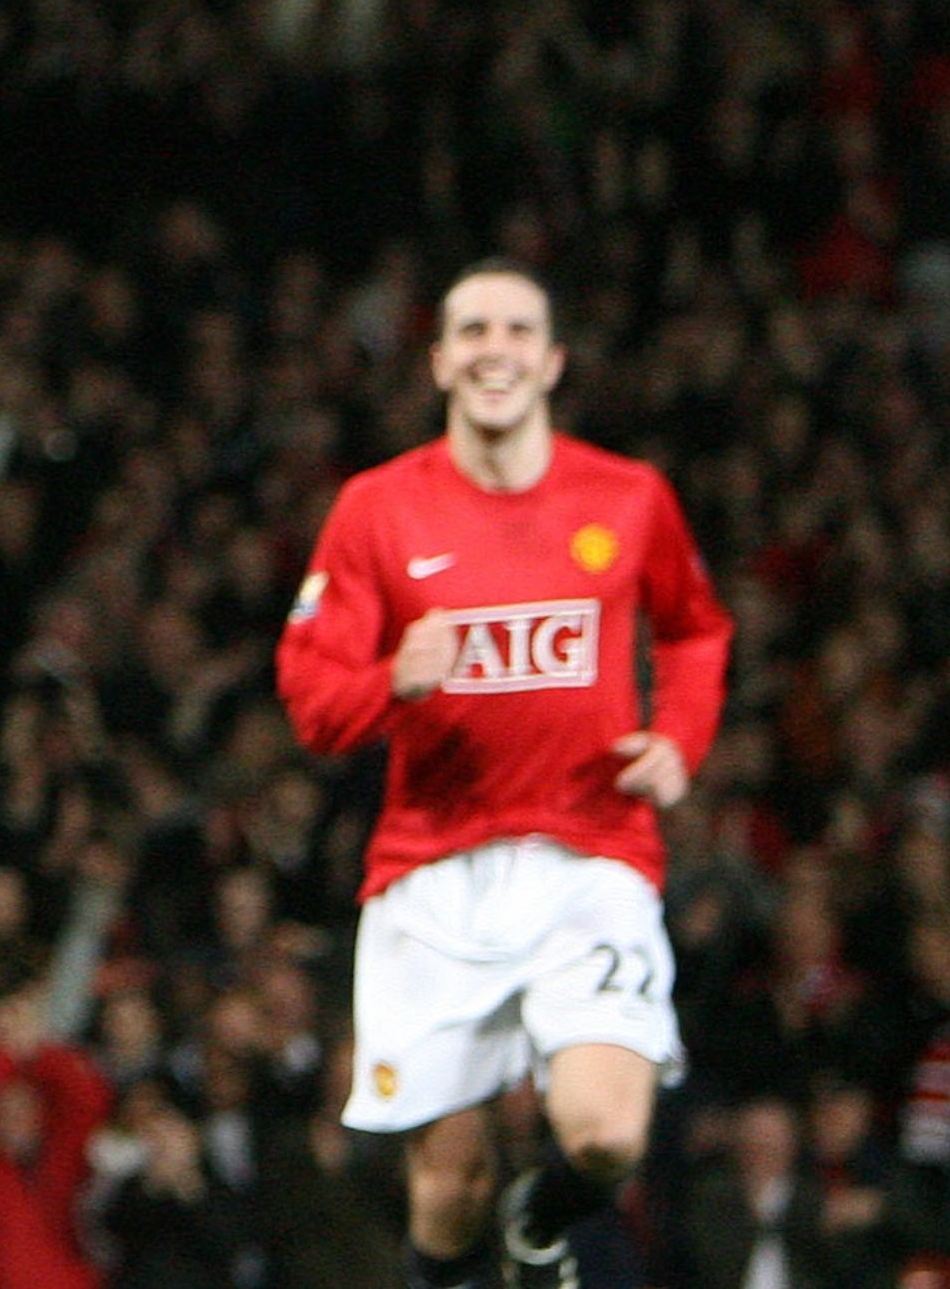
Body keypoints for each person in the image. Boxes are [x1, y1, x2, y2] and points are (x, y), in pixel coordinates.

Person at [277, 262, 732, 1289]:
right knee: (446, 1187)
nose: (496, 348)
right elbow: (310, 699)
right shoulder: (376, 510)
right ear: (438, 357)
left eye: (519, 330)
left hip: (592, 853)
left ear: (552, 359)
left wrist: (682, 739)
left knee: (607, 1135)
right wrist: (394, 677)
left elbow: (697, 628)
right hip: (433, 872)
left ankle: (542, 1224)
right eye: (473, 329)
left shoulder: (628, 497)